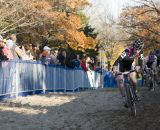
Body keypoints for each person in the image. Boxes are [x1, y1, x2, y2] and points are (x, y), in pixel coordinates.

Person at [112, 39, 144, 107]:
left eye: (139, 49)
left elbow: (141, 61)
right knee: (120, 81)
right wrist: (114, 69)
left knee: (133, 79)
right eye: (136, 49)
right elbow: (117, 60)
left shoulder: (140, 52)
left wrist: (139, 66)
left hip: (129, 65)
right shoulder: (127, 51)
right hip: (121, 65)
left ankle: (135, 93)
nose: (137, 51)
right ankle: (124, 98)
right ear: (133, 47)